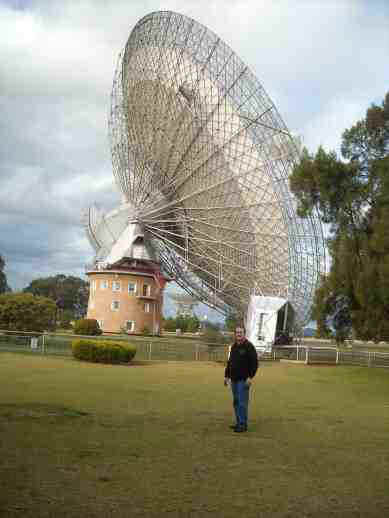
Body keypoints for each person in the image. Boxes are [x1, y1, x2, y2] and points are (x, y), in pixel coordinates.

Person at [224, 326, 258, 433]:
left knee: (242, 402)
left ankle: (243, 425)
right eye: (237, 332)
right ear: (235, 334)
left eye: (241, 332)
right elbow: (229, 363)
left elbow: (255, 363)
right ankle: (238, 422)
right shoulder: (233, 346)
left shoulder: (249, 346)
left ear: (244, 333)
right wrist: (226, 376)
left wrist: (250, 377)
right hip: (233, 379)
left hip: (243, 380)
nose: (239, 334)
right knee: (236, 402)